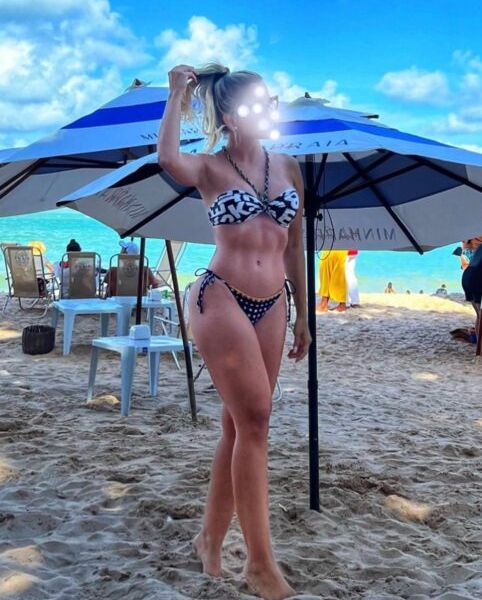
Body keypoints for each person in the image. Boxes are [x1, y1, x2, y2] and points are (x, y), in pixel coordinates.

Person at [157, 63, 310, 600]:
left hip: (273, 303)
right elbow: (167, 159)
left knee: (238, 426)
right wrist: (175, 96)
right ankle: (261, 566)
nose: (266, 110)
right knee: (257, 421)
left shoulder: (288, 166)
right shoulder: (209, 167)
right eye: (255, 103)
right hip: (219, 296)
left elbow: (294, 245)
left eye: (270, 100)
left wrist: (304, 314)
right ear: (228, 116)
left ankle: (210, 539)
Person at [461, 236, 482, 336]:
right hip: (476, 276)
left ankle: (478, 342)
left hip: (467, 276)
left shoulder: (478, 246)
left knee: (479, 315)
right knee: (480, 316)